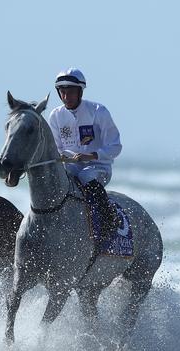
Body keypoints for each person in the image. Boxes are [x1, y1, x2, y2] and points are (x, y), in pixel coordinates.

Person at [47, 67, 122, 240]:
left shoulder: (98, 111)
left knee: (86, 177)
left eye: (71, 92)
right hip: (71, 168)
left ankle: (109, 221)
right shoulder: (55, 116)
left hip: (98, 168)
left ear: (80, 91)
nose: (66, 97)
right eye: (62, 92)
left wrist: (91, 156)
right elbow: (56, 148)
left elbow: (116, 146)